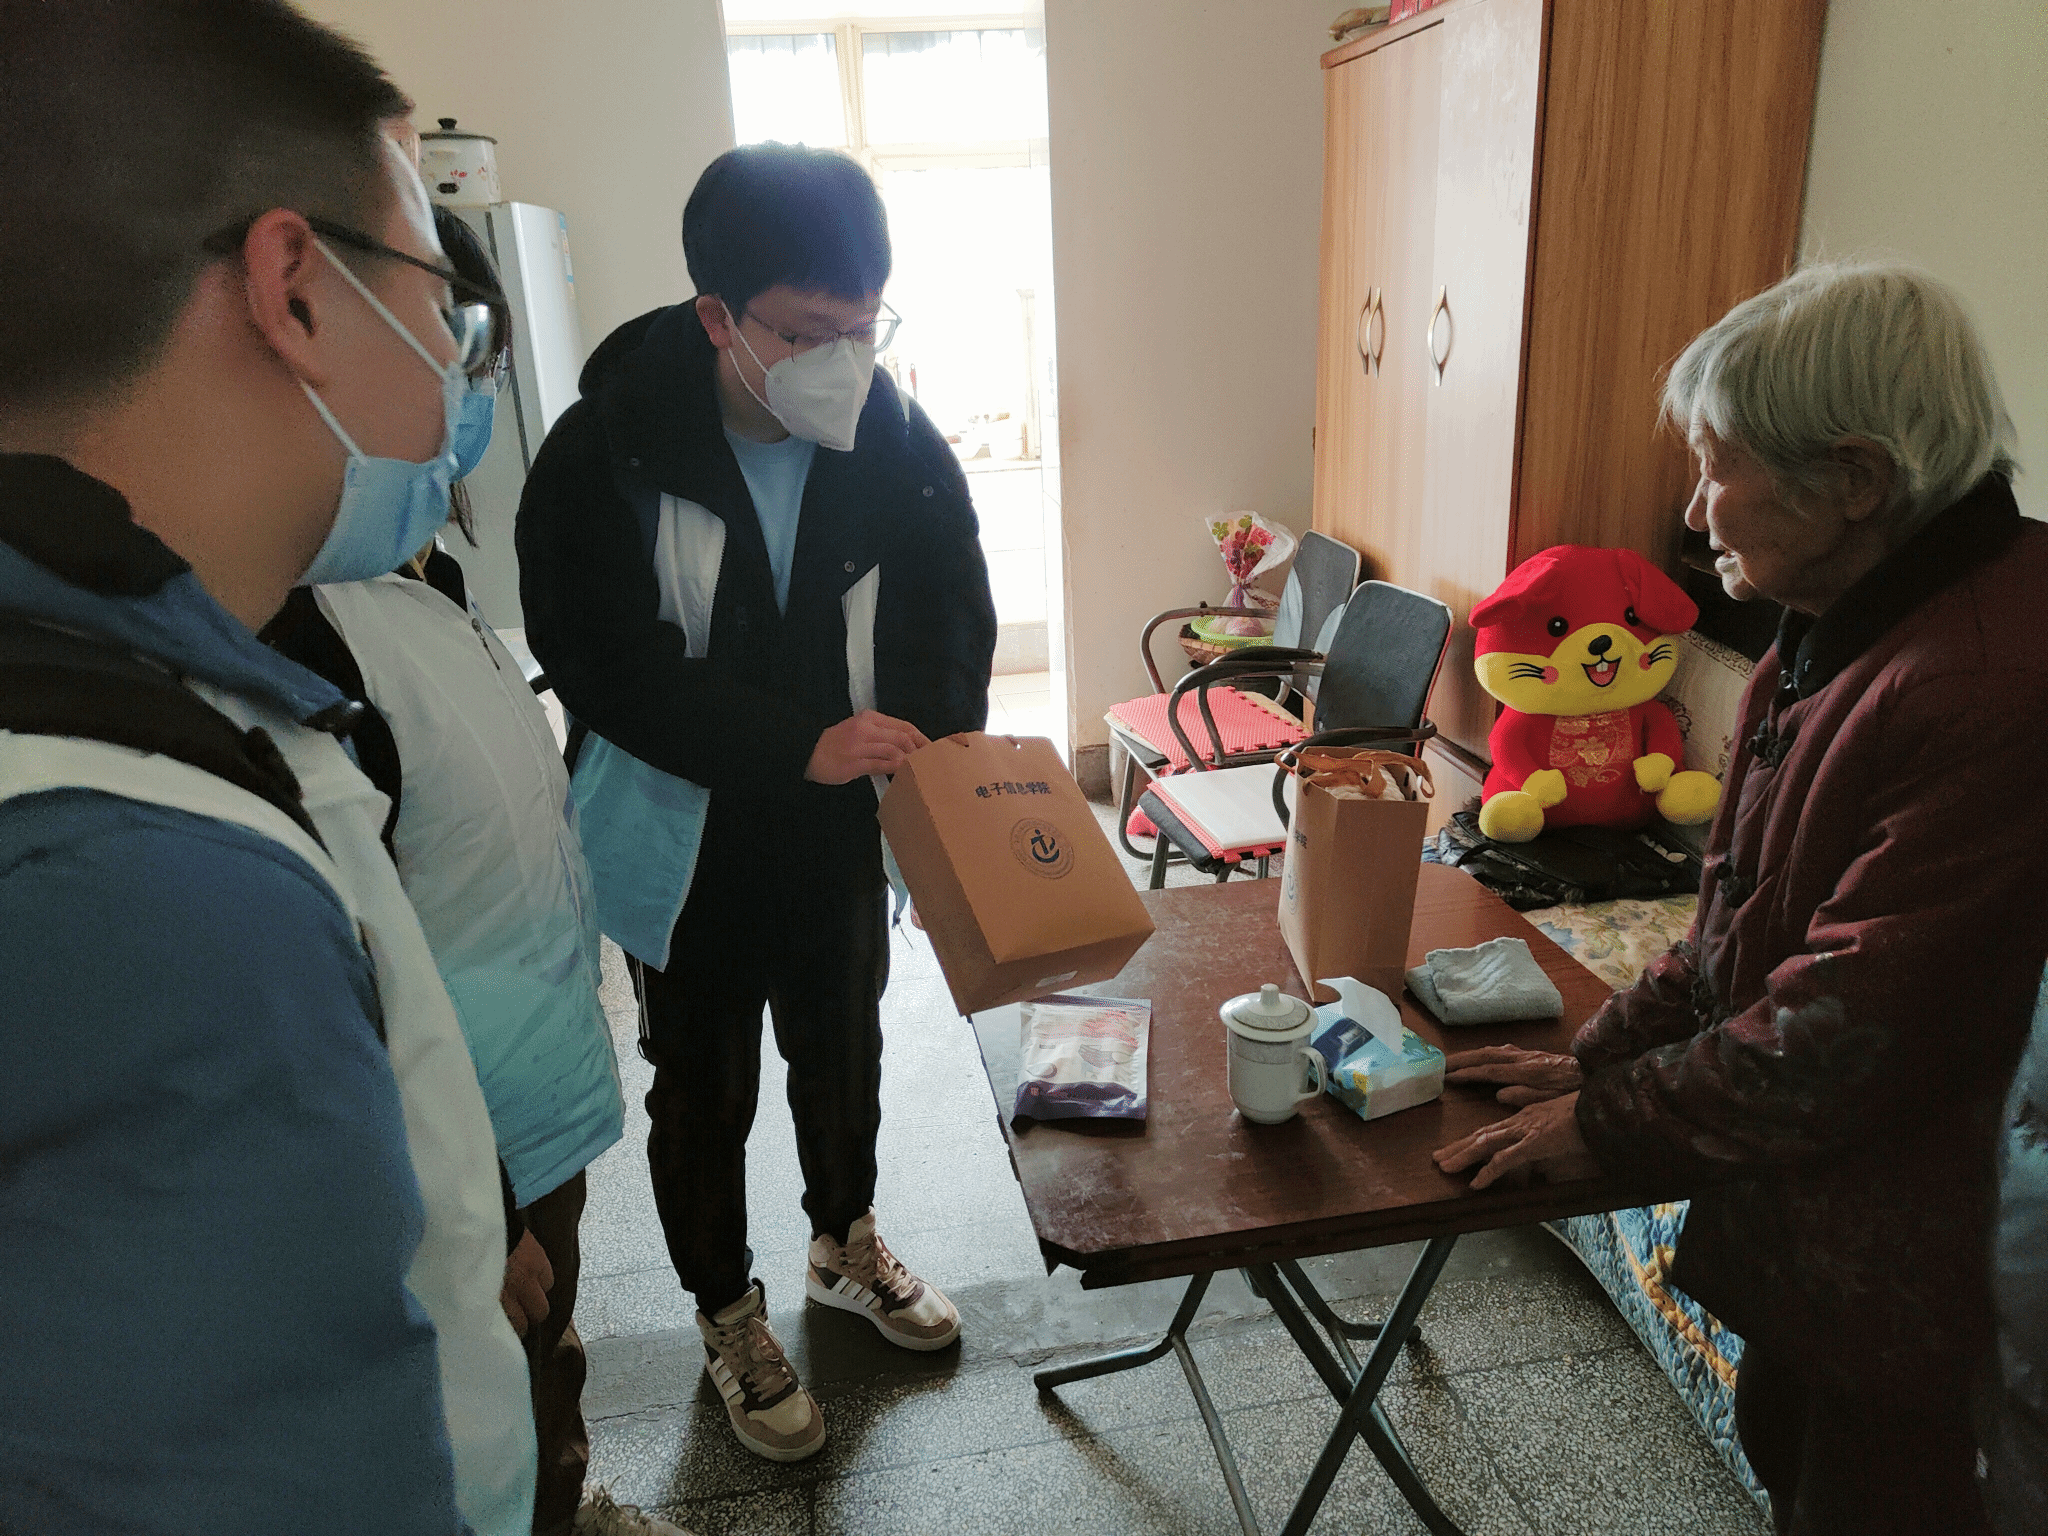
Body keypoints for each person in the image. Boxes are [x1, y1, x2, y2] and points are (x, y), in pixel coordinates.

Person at [0, 4, 535, 1532]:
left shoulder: (159, 689)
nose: (457, 359)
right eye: (437, 295)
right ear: (294, 289)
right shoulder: (133, 881)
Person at [1431, 262, 2047, 1535]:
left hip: (1929, 1266)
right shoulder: (1833, 623)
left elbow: (1850, 1023)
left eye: (1718, 469)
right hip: (1826, 1227)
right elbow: (1736, 920)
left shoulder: (1989, 680)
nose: (1692, 507)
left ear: (1855, 481)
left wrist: (1611, 1122)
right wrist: (1599, 1059)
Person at [517, 142, 997, 1463]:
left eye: (864, 325)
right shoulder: (608, 448)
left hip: (840, 823)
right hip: (685, 829)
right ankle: (726, 1309)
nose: (841, 358)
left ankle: (843, 1243)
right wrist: (798, 744)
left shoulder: (893, 438)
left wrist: (932, 776)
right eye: (805, 331)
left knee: (844, 1047)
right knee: (704, 1083)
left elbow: (951, 617)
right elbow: (600, 662)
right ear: (717, 316)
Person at [264, 205, 679, 1536]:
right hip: (459, 1152)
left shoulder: (417, 570)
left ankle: (566, 1496)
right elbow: (342, 966)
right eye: (453, 345)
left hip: (527, 1098)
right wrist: (473, 1210)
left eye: (478, 351)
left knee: (547, 1366)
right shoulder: (300, 631)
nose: (468, 387)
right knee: (484, 1406)